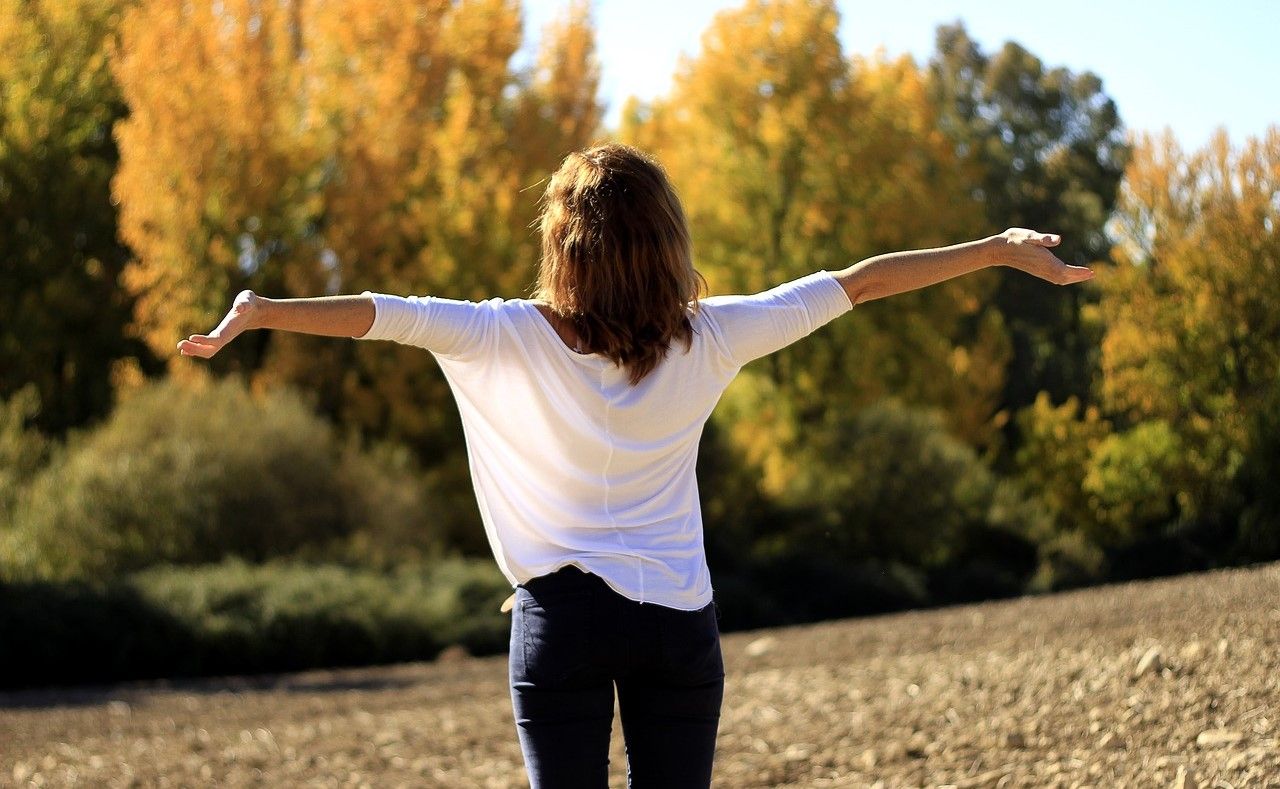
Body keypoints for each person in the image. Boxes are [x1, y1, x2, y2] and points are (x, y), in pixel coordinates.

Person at [177, 142, 1093, 788]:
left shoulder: (499, 336)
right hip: (677, 626)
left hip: (561, 623)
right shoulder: (715, 336)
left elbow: (379, 313)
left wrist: (260, 309)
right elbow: (860, 281)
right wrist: (994, 252)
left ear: (561, 247)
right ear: (668, 244)